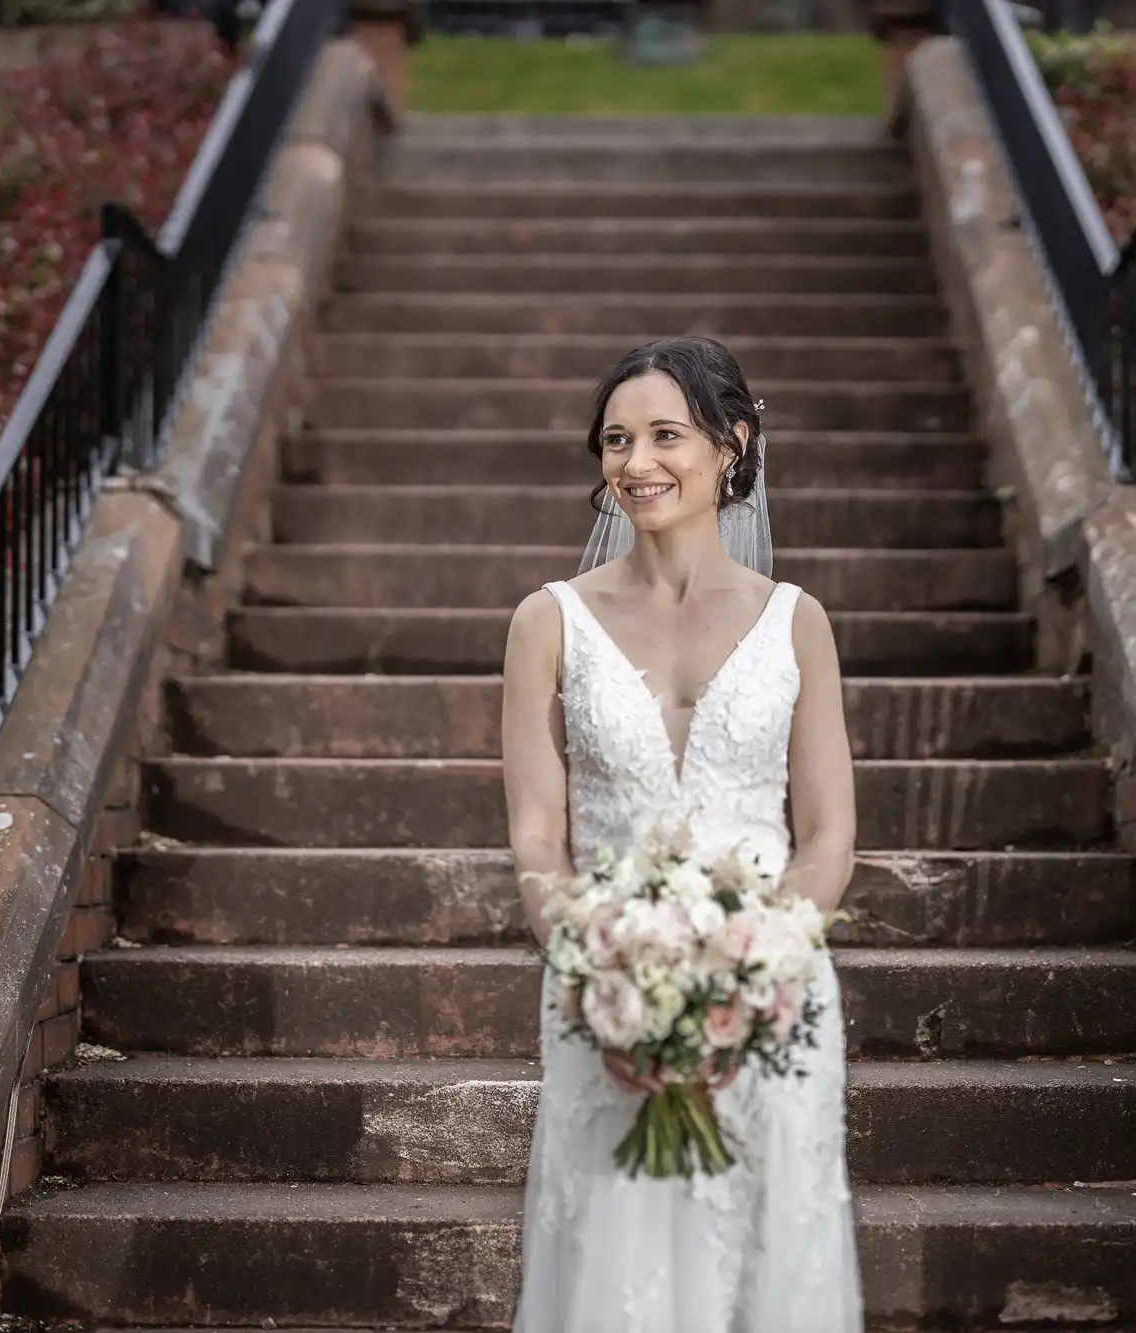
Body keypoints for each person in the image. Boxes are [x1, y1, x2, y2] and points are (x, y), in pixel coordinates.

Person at [500, 336, 865, 1331]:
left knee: (768, 1253)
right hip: (603, 992)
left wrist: (750, 973)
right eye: (615, 440)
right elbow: (537, 838)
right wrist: (589, 958)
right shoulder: (548, 622)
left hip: (771, 996)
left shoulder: (797, 622)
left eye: (666, 434)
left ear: (731, 444)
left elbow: (827, 837)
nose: (636, 462)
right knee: (612, 1266)